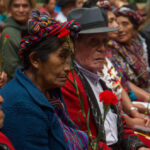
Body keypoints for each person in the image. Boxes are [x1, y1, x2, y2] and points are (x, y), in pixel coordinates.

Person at [62, 6, 150, 149]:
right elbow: (85, 140)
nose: (102, 48)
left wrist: (138, 147)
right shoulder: (69, 83)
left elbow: (120, 127)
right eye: (93, 42)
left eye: (104, 42)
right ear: (73, 45)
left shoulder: (98, 78)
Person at [0, 9, 88, 150]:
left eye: (70, 58)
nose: (69, 68)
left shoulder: (49, 90)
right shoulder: (22, 107)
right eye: (62, 56)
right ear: (35, 59)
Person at [107, 7, 150, 93]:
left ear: (134, 27)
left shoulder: (138, 44)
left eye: (125, 24)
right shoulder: (111, 49)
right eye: (117, 24)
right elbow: (124, 81)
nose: (120, 29)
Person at [0, 0, 33, 82]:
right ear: (10, 8)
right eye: (16, 6)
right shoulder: (8, 33)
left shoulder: (33, 29)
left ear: (30, 8)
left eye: (25, 6)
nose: (21, 10)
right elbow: (11, 68)